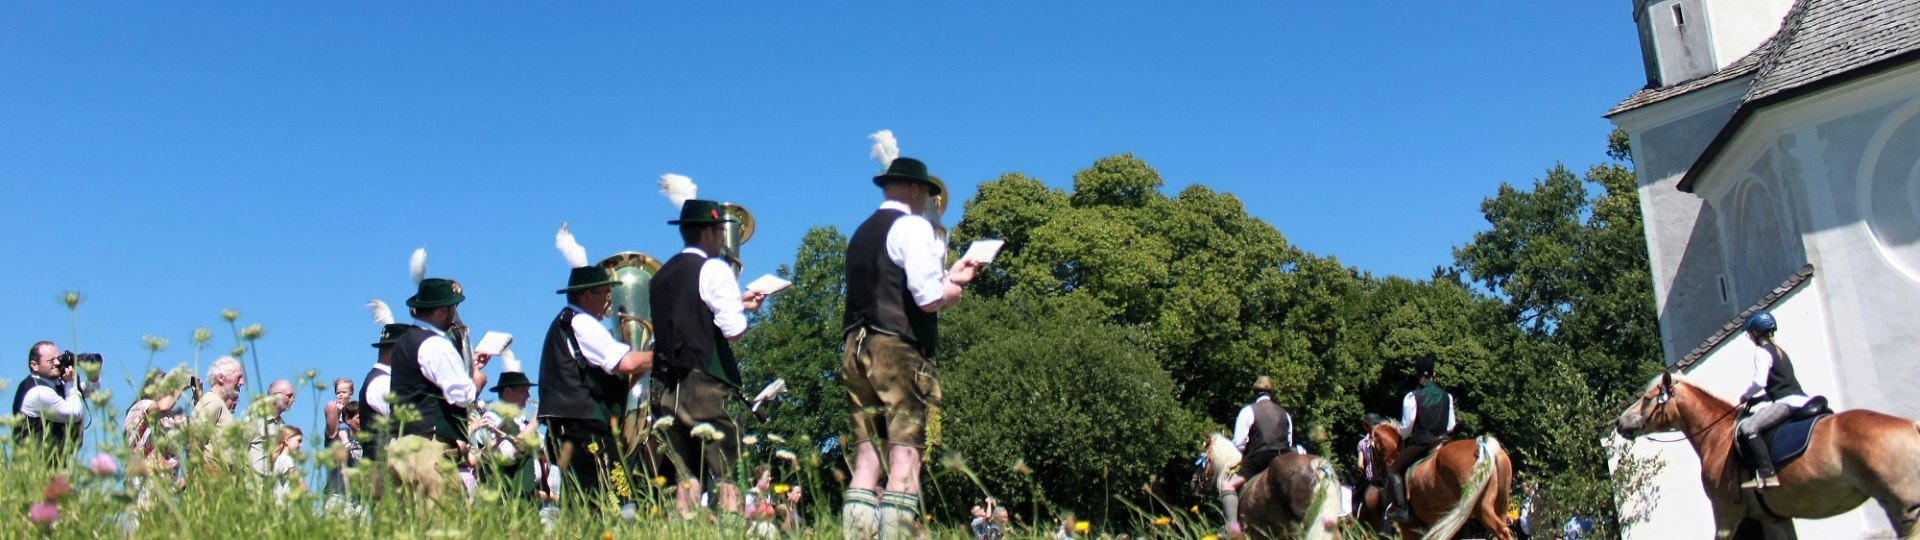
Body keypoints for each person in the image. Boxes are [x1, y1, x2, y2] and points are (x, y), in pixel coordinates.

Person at [840, 155, 981, 540]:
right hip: (897, 349)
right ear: (916, 189)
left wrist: (948, 275)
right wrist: (954, 288)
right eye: (927, 195)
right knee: (905, 456)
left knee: (866, 458)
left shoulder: (862, 232)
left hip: (855, 346)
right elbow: (928, 298)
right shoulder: (913, 226)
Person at [650, 198, 765, 516]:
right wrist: (742, 309)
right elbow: (733, 329)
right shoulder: (714, 267)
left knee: (687, 481)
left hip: (665, 388)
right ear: (710, 233)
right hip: (707, 384)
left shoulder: (660, 277)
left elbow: (689, 315)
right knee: (730, 474)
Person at [539, 223, 653, 518]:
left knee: (583, 501)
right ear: (586, 295)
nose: (608, 301)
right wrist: (662, 357)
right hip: (585, 427)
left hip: (571, 425)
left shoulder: (565, 323)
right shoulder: (582, 323)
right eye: (604, 293)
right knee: (620, 494)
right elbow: (625, 363)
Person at [388, 274, 485, 448]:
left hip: (402, 443)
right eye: (453, 307)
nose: (455, 313)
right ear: (441, 312)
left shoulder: (405, 340)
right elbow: (461, 395)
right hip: (428, 444)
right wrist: (477, 382)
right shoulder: (435, 344)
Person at [1734, 310, 1810, 490]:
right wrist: (1761, 399)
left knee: (1748, 427)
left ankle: (1768, 474)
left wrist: (1746, 395)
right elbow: (1781, 384)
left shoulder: (1761, 352)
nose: (1750, 337)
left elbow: (1760, 382)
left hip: (1788, 403)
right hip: (1802, 399)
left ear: (1755, 332)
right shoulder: (1779, 351)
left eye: (1750, 333)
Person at [1220, 376, 1292, 532]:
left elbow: (1239, 443)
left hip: (1259, 458)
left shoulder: (1248, 411)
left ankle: (1232, 528)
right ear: (1271, 394)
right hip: (1283, 459)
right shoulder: (1285, 413)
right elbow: (1290, 441)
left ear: (1255, 393)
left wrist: (1235, 461)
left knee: (1227, 485)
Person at [1388, 355, 1455, 523]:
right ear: (1435, 374)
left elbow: (1406, 427)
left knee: (1393, 470)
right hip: (1443, 441)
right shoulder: (1447, 396)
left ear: (1417, 374)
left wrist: (1403, 436)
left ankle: (1402, 509)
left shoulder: (1412, 397)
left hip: (1422, 442)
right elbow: (1451, 426)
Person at [13, 341, 96, 464]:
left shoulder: (51, 384)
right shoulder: (38, 391)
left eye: (58, 358)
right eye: (50, 361)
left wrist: (93, 376)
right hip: (35, 468)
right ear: (34, 365)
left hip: (51, 465)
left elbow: (86, 392)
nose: (57, 363)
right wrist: (70, 383)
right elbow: (74, 413)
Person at [248, 379, 296, 475]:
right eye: (289, 396)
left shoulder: (281, 425)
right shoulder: (256, 419)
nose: (292, 400)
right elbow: (239, 449)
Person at [323, 378, 353, 443]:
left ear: (351, 392)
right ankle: (345, 442)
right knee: (343, 427)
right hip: (339, 429)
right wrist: (339, 412)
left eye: (344, 392)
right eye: (338, 393)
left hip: (350, 431)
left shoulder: (352, 406)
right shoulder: (335, 405)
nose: (340, 394)